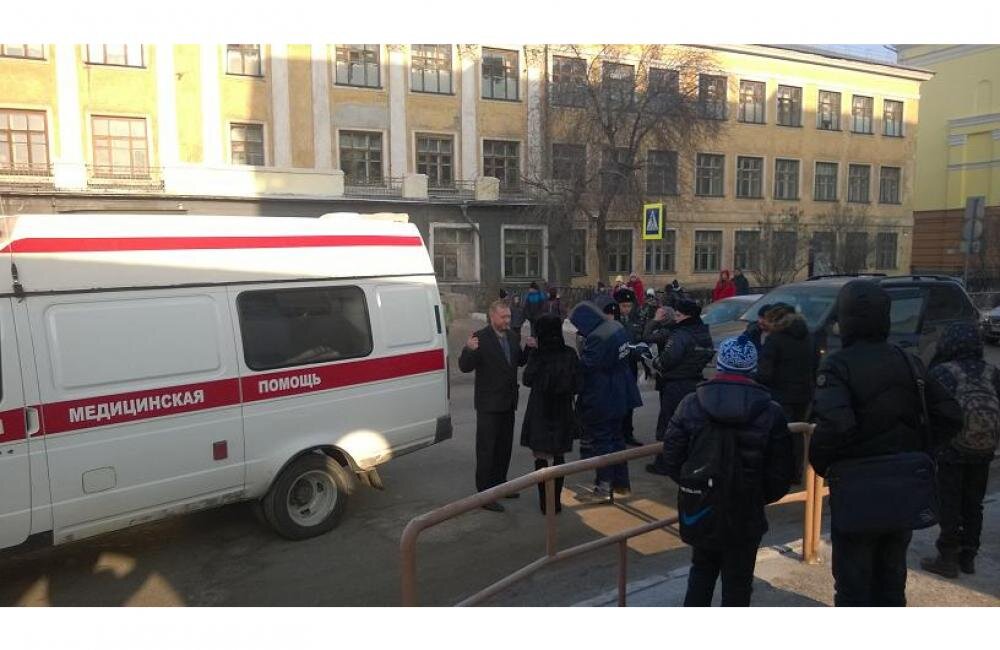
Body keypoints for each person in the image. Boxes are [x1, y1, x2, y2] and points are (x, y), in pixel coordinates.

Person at [810, 280, 963, 606]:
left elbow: (835, 427)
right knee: (892, 579)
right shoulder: (908, 360)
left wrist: (822, 464)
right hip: (902, 487)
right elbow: (950, 415)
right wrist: (920, 452)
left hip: (857, 489)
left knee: (853, 585)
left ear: (845, 318)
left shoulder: (837, 364)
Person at [662, 335, 795, 606]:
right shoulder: (771, 411)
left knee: (701, 571)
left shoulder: (691, 403)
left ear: (720, 364)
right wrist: (757, 494)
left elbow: (672, 456)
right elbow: (782, 471)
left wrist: (694, 483)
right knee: (739, 582)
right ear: (752, 368)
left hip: (702, 503)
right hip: (747, 507)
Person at [920, 322, 1000, 578]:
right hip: (984, 448)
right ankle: (968, 556)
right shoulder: (992, 372)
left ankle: (947, 556)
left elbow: (930, 411)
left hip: (951, 449)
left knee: (950, 502)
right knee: (974, 502)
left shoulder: (942, 372)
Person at [458, 300, 537, 512]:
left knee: (504, 448)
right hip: (489, 404)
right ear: (492, 316)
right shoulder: (480, 338)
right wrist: (468, 350)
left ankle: (501, 485)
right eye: (503, 317)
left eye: (509, 316)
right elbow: (464, 367)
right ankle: (485, 495)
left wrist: (529, 349)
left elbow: (518, 361)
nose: (507, 320)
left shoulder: (512, 336)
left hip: (508, 402)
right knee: (487, 450)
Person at [569, 300, 642, 499]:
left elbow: (588, 365)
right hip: (621, 391)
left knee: (603, 441)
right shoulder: (616, 326)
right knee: (617, 438)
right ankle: (621, 483)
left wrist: (575, 360)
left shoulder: (597, 337)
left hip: (603, 395)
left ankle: (604, 487)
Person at [520, 314, 583, 514]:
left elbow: (527, 379)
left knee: (541, 456)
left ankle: (544, 501)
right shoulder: (570, 354)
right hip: (562, 411)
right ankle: (555, 501)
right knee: (558, 455)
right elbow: (578, 384)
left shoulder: (538, 355)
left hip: (540, 411)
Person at [647, 299, 715, 475]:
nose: (675, 318)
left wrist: (655, 362)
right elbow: (708, 354)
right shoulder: (704, 333)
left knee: (668, 423)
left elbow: (667, 360)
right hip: (694, 382)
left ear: (687, 316)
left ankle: (664, 463)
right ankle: (687, 458)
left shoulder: (680, 334)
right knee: (690, 422)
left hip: (675, 383)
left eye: (678, 315)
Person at [756, 303, 817, 483]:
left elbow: (765, 373)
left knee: (780, 433)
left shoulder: (775, 339)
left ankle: (780, 471)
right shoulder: (808, 337)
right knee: (798, 433)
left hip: (780, 394)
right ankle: (796, 472)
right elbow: (815, 365)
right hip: (804, 393)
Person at [614, 288, 645, 447]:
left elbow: (639, 339)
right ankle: (617, 433)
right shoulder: (613, 321)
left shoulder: (635, 320)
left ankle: (628, 433)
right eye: (623, 306)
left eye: (629, 306)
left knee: (630, 400)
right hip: (617, 367)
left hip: (631, 365)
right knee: (617, 401)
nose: (626, 309)